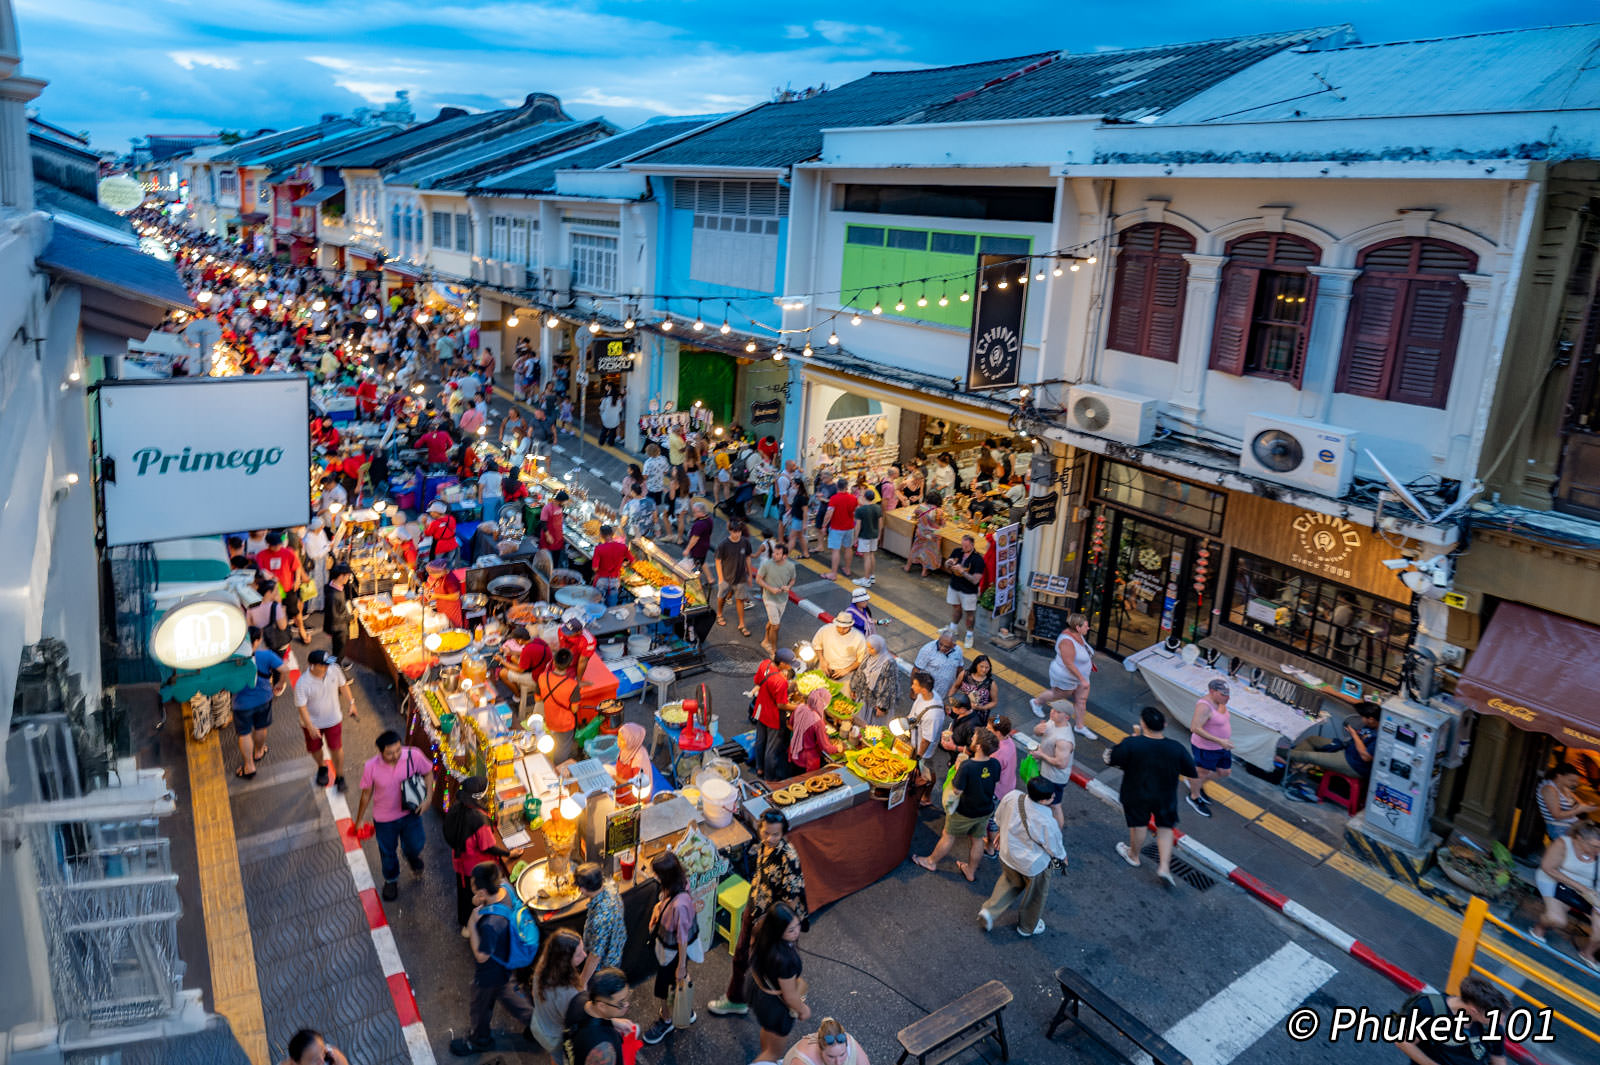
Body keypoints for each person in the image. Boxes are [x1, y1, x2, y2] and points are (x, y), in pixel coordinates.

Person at [710, 807, 808, 1018]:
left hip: (774, 923)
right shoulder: (763, 844)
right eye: (766, 832)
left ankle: (789, 1001)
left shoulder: (789, 857)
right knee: (743, 957)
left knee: (776, 965)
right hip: (755, 906)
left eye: (776, 834)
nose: (770, 838)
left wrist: (777, 931)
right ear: (760, 828)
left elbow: (791, 901)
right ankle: (738, 999)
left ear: (784, 833)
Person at [451, 863, 538, 1057]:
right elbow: (478, 900)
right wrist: (479, 899)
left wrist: (472, 923)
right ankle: (538, 1028)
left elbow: (481, 956)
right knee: (511, 995)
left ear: (483, 891)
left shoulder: (491, 925)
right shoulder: (505, 887)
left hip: (490, 969)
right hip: (506, 958)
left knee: (480, 1005)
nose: (471, 886)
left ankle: (479, 1040)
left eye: (473, 885)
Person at [1104, 707, 1197, 888]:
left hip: (1136, 792)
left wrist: (1132, 740)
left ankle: (1133, 855)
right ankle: (1164, 867)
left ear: (1143, 724)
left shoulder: (1132, 743)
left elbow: (1112, 758)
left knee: (1139, 824)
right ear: (1165, 724)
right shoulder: (1176, 747)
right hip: (1166, 794)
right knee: (1165, 828)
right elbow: (1190, 771)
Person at [980, 775, 1068, 936]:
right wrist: (1063, 860)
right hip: (1033, 866)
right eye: (1051, 796)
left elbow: (998, 817)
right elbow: (1055, 849)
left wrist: (1001, 832)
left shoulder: (1013, 797)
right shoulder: (1047, 821)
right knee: (1035, 896)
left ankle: (989, 911)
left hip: (1008, 854)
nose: (1054, 797)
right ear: (1043, 801)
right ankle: (1026, 927)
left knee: (1009, 882)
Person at [354, 729, 433, 900]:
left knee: (416, 845)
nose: (396, 755)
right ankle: (391, 880)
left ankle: (411, 855)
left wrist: (428, 799)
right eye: (390, 753)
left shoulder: (413, 755)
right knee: (387, 852)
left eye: (398, 750)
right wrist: (359, 820)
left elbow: (428, 772)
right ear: (380, 752)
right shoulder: (371, 766)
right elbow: (366, 795)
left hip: (411, 813)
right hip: (384, 820)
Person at [916, 728, 1001, 882]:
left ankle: (931, 862)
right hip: (985, 809)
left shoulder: (967, 766)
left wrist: (956, 770)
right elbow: (992, 780)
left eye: (974, 738)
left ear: (979, 747)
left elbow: (956, 790)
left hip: (964, 811)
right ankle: (970, 871)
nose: (972, 738)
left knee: (948, 835)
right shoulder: (995, 763)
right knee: (977, 840)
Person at [642, 850, 701, 1044]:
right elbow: (664, 902)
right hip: (671, 948)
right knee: (675, 985)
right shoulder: (680, 883)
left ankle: (666, 1020)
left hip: (674, 952)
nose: (654, 876)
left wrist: (681, 966)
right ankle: (684, 1009)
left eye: (657, 873)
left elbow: (682, 938)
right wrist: (657, 909)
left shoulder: (680, 905)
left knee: (664, 987)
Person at [443, 775, 511, 937]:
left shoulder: (458, 807)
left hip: (460, 862)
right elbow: (488, 847)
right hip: (475, 866)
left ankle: (464, 923)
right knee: (476, 895)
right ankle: (475, 925)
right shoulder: (479, 819)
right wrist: (508, 853)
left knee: (464, 893)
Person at [1530, 821, 1600, 971]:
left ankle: (1588, 953)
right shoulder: (1563, 844)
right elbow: (1548, 868)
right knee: (1557, 919)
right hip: (1556, 881)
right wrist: (1580, 887)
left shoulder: (1598, 851)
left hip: (1588, 891)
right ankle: (1540, 927)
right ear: (1580, 838)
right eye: (1593, 846)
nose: (1597, 850)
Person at [1394, 974, 1509, 1065]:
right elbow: (1403, 1042)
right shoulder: (1430, 1010)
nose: (1500, 1023)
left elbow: (1498, 1059)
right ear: (1473, 1011)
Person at [746, 903, 810, 1063]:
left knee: (768, 1030)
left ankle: (767, 1057)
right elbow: (790, 996)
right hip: (775, 1005)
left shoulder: (761, 932)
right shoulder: (785, 960)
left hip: (760, 992)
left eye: (797, 925)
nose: (797, 931)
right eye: (790, 930)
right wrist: (803, 1010)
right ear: (777, 930)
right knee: (773, 1053)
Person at [294, 649, 354, 790]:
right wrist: (310, 726)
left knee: (337, 748)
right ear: (312, 666)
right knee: (314, 749)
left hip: (333, 719)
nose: (328, 666)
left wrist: (351, 703)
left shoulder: (334, 669)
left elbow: (343, 685)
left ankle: (340, 776)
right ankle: (322, 767)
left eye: (328, 663)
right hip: (312, 724)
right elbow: (302, 708)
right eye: (324, 664)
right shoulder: (302, 684)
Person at [1029, 612, 1096, 739]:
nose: (1088, 628)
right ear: (1078, 627)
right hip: (1066, 676)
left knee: (1081, 701)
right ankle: (1037, 702)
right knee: (1058, 694)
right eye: (1086, 626)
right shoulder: (1067, 641)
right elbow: (1068, 663)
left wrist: (1087, 665)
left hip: (1080, 676)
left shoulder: (1078, 635)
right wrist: (1082, 679)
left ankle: (1079, 726)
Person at [231, 626, 284, 779]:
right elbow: (285, 669)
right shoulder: (266, 655)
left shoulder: (232, 659)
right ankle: (259, 752)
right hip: (264, 699)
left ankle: (249, 766)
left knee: (244, 733)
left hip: (241, 703)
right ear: (257, 641)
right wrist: (280, 683)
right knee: (261, 727)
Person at [1286, 701, 1381, 784]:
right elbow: (1362, 740)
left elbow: (1366, 757)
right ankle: (1290, 764)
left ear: (1371, 719)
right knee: (1312, 739)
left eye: (1362, 717)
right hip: (1346, 750)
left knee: (1308, 756)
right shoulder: (1370, 726)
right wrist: (1356, 735)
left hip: (1353, 765)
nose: (1361, 719)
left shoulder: (1379, 737)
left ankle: (1278, 753)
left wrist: (1354, 735)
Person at [529, 928, 586, 1065]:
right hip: (555, 1038)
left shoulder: (544, 964)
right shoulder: (569, 992)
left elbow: (533, 994)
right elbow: (574, 1021)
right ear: (564, 961)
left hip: (539, 1024)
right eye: (578, 954)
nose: (584, 955)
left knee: (555, 1057)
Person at [564, 967, 635, 1065]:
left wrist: (612, 1022)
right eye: (621, 1002)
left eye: (627, 996)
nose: (627, 1004)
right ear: (602, 1006)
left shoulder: (580, 998)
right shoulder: (603, 1050)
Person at [1184, 678, 1234, 819]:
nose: (1227, 698)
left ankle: (1194, 782)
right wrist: (1220, 740)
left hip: (1222, 747)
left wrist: (1223, 740)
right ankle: (1194, 796)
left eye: (1228, 694)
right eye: (1223, 694)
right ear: (1212, 691)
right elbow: (1195, 728)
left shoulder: (1220, 702)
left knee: (1224, 771)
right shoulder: (1204, 707)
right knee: (1202, 772)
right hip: (1206, 748)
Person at [575, 862, 627, 986]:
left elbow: (595, 956)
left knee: (601, 987)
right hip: (617, 944)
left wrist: (583, 981)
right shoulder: (610, 887)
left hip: (605, 963)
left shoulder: (601, 919)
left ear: (582, 889)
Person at [752, 652, 799, 781]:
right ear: (782, 663)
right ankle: (770, 778)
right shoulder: (781, 681)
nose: (791, 667)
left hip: (760, 709)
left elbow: (757, 681)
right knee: (772, 748)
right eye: (789, 664)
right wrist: (799, 707)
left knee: (760, 740)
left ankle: (759, 768)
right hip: (773, 717)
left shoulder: (765, 664)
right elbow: (781, 705)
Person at [532, 649, 581, 762]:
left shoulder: (542, 677)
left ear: (553, 662)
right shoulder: (573, 685)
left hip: (550, 720)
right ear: (570, 664)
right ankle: (558, 767)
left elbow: (537, 699)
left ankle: (548, 761)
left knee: (553, 741)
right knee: (562, 749)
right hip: (565, 724)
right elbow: (574, 709)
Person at [906, 670, 946, 793]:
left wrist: (918, 756)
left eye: (915, 685)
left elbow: (926, 740)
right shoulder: (923, 695)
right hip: (914, 739)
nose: (912, 686)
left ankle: (926, 795)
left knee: (926, 771)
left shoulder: (933, 714)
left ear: (923, 689)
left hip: (923, 750)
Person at [1537, 762, 1600, 839]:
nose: (1575, 784)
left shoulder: (1564, 788)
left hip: (1573, 825)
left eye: (1576, 781)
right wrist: (1579, 810)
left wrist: (1588, 806)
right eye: (1571, 780)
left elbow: (1580, 804)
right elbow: (1557, 815)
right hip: (1559, 828)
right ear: (1559, 776)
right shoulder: (1549, 789)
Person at [944, 534, 986, 649]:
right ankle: (953, 628)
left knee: (970, 614)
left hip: (968, 591)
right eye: (962, 545)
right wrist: (948, 563)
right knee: (956, 608)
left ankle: (969, 635)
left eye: (966, 546)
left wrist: (962, 571)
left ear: (972, 545)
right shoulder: (957, 551)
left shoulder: (978, 560)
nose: (963, 548)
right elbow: (947, 566)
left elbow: (975, 580)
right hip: (955, 586)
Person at [790, 687, 844, 774]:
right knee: (806, 780)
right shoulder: (817, 722)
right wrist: (837, 748)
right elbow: (826, 747)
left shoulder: (800, 708)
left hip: (795, 751)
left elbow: (791, 722)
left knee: (796, 777)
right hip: (808, 759)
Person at [756, 541, 796, 657]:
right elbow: (758, 579)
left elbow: (793, 579)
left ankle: (765, 641)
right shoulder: (767, 564)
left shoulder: (790, 566)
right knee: (776, 626)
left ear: (784, 556)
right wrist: (770, 588)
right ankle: (774, 650)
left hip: (783, 599)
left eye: (777, 554)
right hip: (769, 598)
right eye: (774, 552)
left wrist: (788, 587)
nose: (774, 555)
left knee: (772, 621)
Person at [715, 521, 754, 637]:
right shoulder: (723, 544)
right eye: (734, 532)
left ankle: (742, 624)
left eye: (739, 532)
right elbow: (718, 561)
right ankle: (719, 614)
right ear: (730, 531)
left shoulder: (745, 542)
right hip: (726, 577)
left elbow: (748, 558)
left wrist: (750, 575)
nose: (737, 534)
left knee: (740, 599)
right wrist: (720, 578)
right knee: (722, 597)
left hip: (740, 577)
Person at [850, 635, 901, 723]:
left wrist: (882, 707)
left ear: (879, 647)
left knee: (872, 726)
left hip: (876, 704)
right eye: (868, 647)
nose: (869, 650)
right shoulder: (868, 656)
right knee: (859, 723)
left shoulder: (889, 663)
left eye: (872, 648)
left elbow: (890, 687)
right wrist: (853, 689)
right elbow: (859, 673)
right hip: (863, 698)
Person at [782, 1017, 871, 1065]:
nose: (838, 1063)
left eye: (842, 1054)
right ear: (820, 1048)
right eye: (831, 1057)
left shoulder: (848, 1041)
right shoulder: (802, 1061)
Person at [500, 625, 553, 704]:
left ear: (520, 640)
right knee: (513, 658)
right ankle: (517, 687)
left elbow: (520, 670)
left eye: (515, 640)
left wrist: (502, 661)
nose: (515, 642)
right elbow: (527, 653)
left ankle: (518, 696)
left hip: (538, 679)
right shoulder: (537, 640)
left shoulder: (528, 650)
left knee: (502, 673)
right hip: (547, 671)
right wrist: (511, 652)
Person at [914, 627, 964, 702]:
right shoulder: (927, 649)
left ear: (954, 645)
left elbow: (960, 669)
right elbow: (916, 669)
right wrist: (913, 691)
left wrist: (957, 685)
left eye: (946, 647)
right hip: (928, 693)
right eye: (940, 644)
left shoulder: (958, 651)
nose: (942, 648)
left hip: (946, 693)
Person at [812, 613, 867, 680]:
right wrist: (821, 659)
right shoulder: (826, 629)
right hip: (825, 667)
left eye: (845, 628)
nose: (841, 630)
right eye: (838, 627)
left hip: (846, 673)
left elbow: (860, 660)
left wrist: (847, 670)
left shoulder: (859, 638)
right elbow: (817, 645)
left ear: (851, 626)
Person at [590, 524, 634, 607]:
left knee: (598, 603)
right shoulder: (623, 547)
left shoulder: (599, 548)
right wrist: (623, 565)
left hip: (601, 580)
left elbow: (595, 568)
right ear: (613, 534)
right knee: (612, 606)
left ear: (601, 535)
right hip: (615, 580)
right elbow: (632, 560)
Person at [821, 483, 858, 581]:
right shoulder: (853, 498)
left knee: (835, 550)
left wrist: (824, 525)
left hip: (836, 527)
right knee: (848, 548)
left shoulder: (834, 498)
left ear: (838, 487)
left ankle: (833, 573)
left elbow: (829, 514)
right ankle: (847, 569)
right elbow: (855, 512)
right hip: (849, 527)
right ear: (847, 487)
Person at [851, 486, 883, 588]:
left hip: (864, 535)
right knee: (872, 554)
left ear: (864, 497)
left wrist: (855, 538)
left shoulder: (860, 510)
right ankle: (872, 576)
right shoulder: (877, 508)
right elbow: (880, 523)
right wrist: (879, 534)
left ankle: (866, 579)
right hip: (874, 535)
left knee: (866, 557)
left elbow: (858, 526)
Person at [954, 654, 998, 725]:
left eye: (987, 667)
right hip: (962, 710)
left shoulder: (991, 684)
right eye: (981, 666)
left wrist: (982, 708)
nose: (984, 670)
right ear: (976, 665)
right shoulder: (965, 674)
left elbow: (994, 702)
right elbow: (955, 686)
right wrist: (950, 698)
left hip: (978, 716)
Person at [683, 500, 715, 586]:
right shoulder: (709, 519)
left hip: (698, 548)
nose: (693, 513)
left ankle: (697, 584)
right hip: (705, 545)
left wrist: (687, 549)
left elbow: (694, 539)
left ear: (701, 512)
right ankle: (710, 579)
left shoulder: (700, 524)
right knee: (702, 562)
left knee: (697, 565)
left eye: (695, 512)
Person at [283, 1029, 350, 1065]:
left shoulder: (332, 1055)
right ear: (295, 1063)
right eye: (315, 1060)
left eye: (323, 1052)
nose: (322, 1061)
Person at [424, 499, 460, 564]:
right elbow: (454, 531)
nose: (430, 514)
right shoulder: (451, 518)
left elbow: (427, 534)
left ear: (437, 512)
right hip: (452, 545)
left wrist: (423, 524)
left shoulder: (434, 523)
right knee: (449, 564)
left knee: (437, 565)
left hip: (440, 548)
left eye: (432, 512)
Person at [541, 490, 569, 569]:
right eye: (565, 502)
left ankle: (554, 570)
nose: (565, 504)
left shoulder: (561, 506)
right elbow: (543, 523)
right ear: (560, 500)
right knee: (547, 558)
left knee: (556, 557)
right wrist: (548, 536)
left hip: (558, 536)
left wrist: (570, 516)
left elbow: (561, 514)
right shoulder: (547, 508)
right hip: (549, 536)